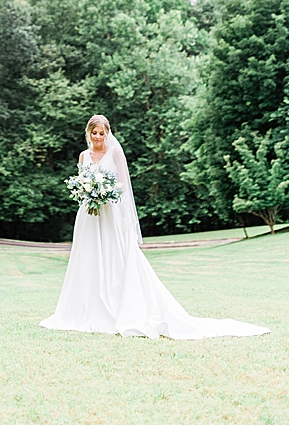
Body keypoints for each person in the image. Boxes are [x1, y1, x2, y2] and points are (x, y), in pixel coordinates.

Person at [40, 114, 269, 340]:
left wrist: (116, 208)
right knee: (87, 257)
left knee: (113, 257)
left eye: (102, 133)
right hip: (89, 216)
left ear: (108, 133)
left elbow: (124, 185)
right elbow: (81, 182)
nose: (98, 137)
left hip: (110, 213)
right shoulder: (83, 156)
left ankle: (115, 303)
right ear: (88, 133)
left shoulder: (115, 152)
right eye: (94, 133)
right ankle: (84, 308)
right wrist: (89, 193)